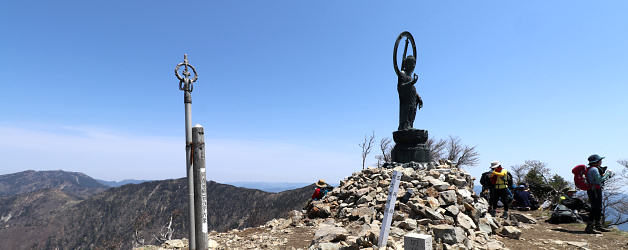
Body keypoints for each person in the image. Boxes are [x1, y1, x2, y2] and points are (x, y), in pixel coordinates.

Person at [585, 154, 613, 233]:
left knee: (598, 208)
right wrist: (608, 174)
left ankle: (597, 226)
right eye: (600, 160)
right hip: (595, 190)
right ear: (596, 161)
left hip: (593, 189)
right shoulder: (594, 169)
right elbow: (599, 180)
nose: (601, 162)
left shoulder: (590, 168)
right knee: (595, 208)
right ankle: (590, 227)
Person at [396, 55, 423, 130]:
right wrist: (412, 83)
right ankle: (405, 125)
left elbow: (413, 88)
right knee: (407, 113)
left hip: (412, 100)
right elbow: (400, 87)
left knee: (412, 112)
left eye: (414, 64)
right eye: (411, 64)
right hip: (406, 101)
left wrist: (419, 98)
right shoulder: (402, 74)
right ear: (406, 64)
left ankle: (410, 125)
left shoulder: (410, 76)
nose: (413, 66)